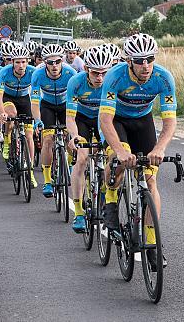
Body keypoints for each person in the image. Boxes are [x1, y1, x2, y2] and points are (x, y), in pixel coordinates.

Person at [99, 33, 177, 269]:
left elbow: (169, 121)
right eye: (139, 60)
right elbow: (105, 119)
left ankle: (152, 245)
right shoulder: (114, 77)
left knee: (151, 179)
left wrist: (159, 149)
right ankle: (110, 200)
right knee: (118, 158)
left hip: (143, 123)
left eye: (149, 59)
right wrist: (120, 152)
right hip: (117, 122)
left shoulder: (163, 78)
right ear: (129, 61)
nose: (145, 65)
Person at [66, 45, 114, 232]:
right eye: (95, 73)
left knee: (110, 155)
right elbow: (70, 116)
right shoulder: (75, 83)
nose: (100, 78)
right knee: (82, 159)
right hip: (82, 120)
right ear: (86, 69)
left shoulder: (112, 83)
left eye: (104, 73)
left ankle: (104, 195)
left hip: (104, 120)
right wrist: (74, 136)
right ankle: (78, 212)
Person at [30, 44, 76, 198]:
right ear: (45, 63)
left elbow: (76, 100)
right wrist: (37, 120)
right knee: (48, 140)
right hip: (47, 105)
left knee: (69, 134)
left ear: (62, 60)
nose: (54, 65)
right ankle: (48, 181)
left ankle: (68, 164)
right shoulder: (38, 74)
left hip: (66, 106)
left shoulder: (71, 73)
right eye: (50, 63)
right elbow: (35, 101)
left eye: (57, 61)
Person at [0, 43, 37, 187]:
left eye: (23, 61)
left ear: (27, 61)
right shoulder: (4, 72)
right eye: (17, 62)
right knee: (11, 114)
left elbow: (38, 97)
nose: (21, 65)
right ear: (12, 62)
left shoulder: (33, 72)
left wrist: (38, 118)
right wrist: (2, 113)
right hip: (8, 98)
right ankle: (7, 141)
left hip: (25, 99)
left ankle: (30, 170)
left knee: (29, 135)